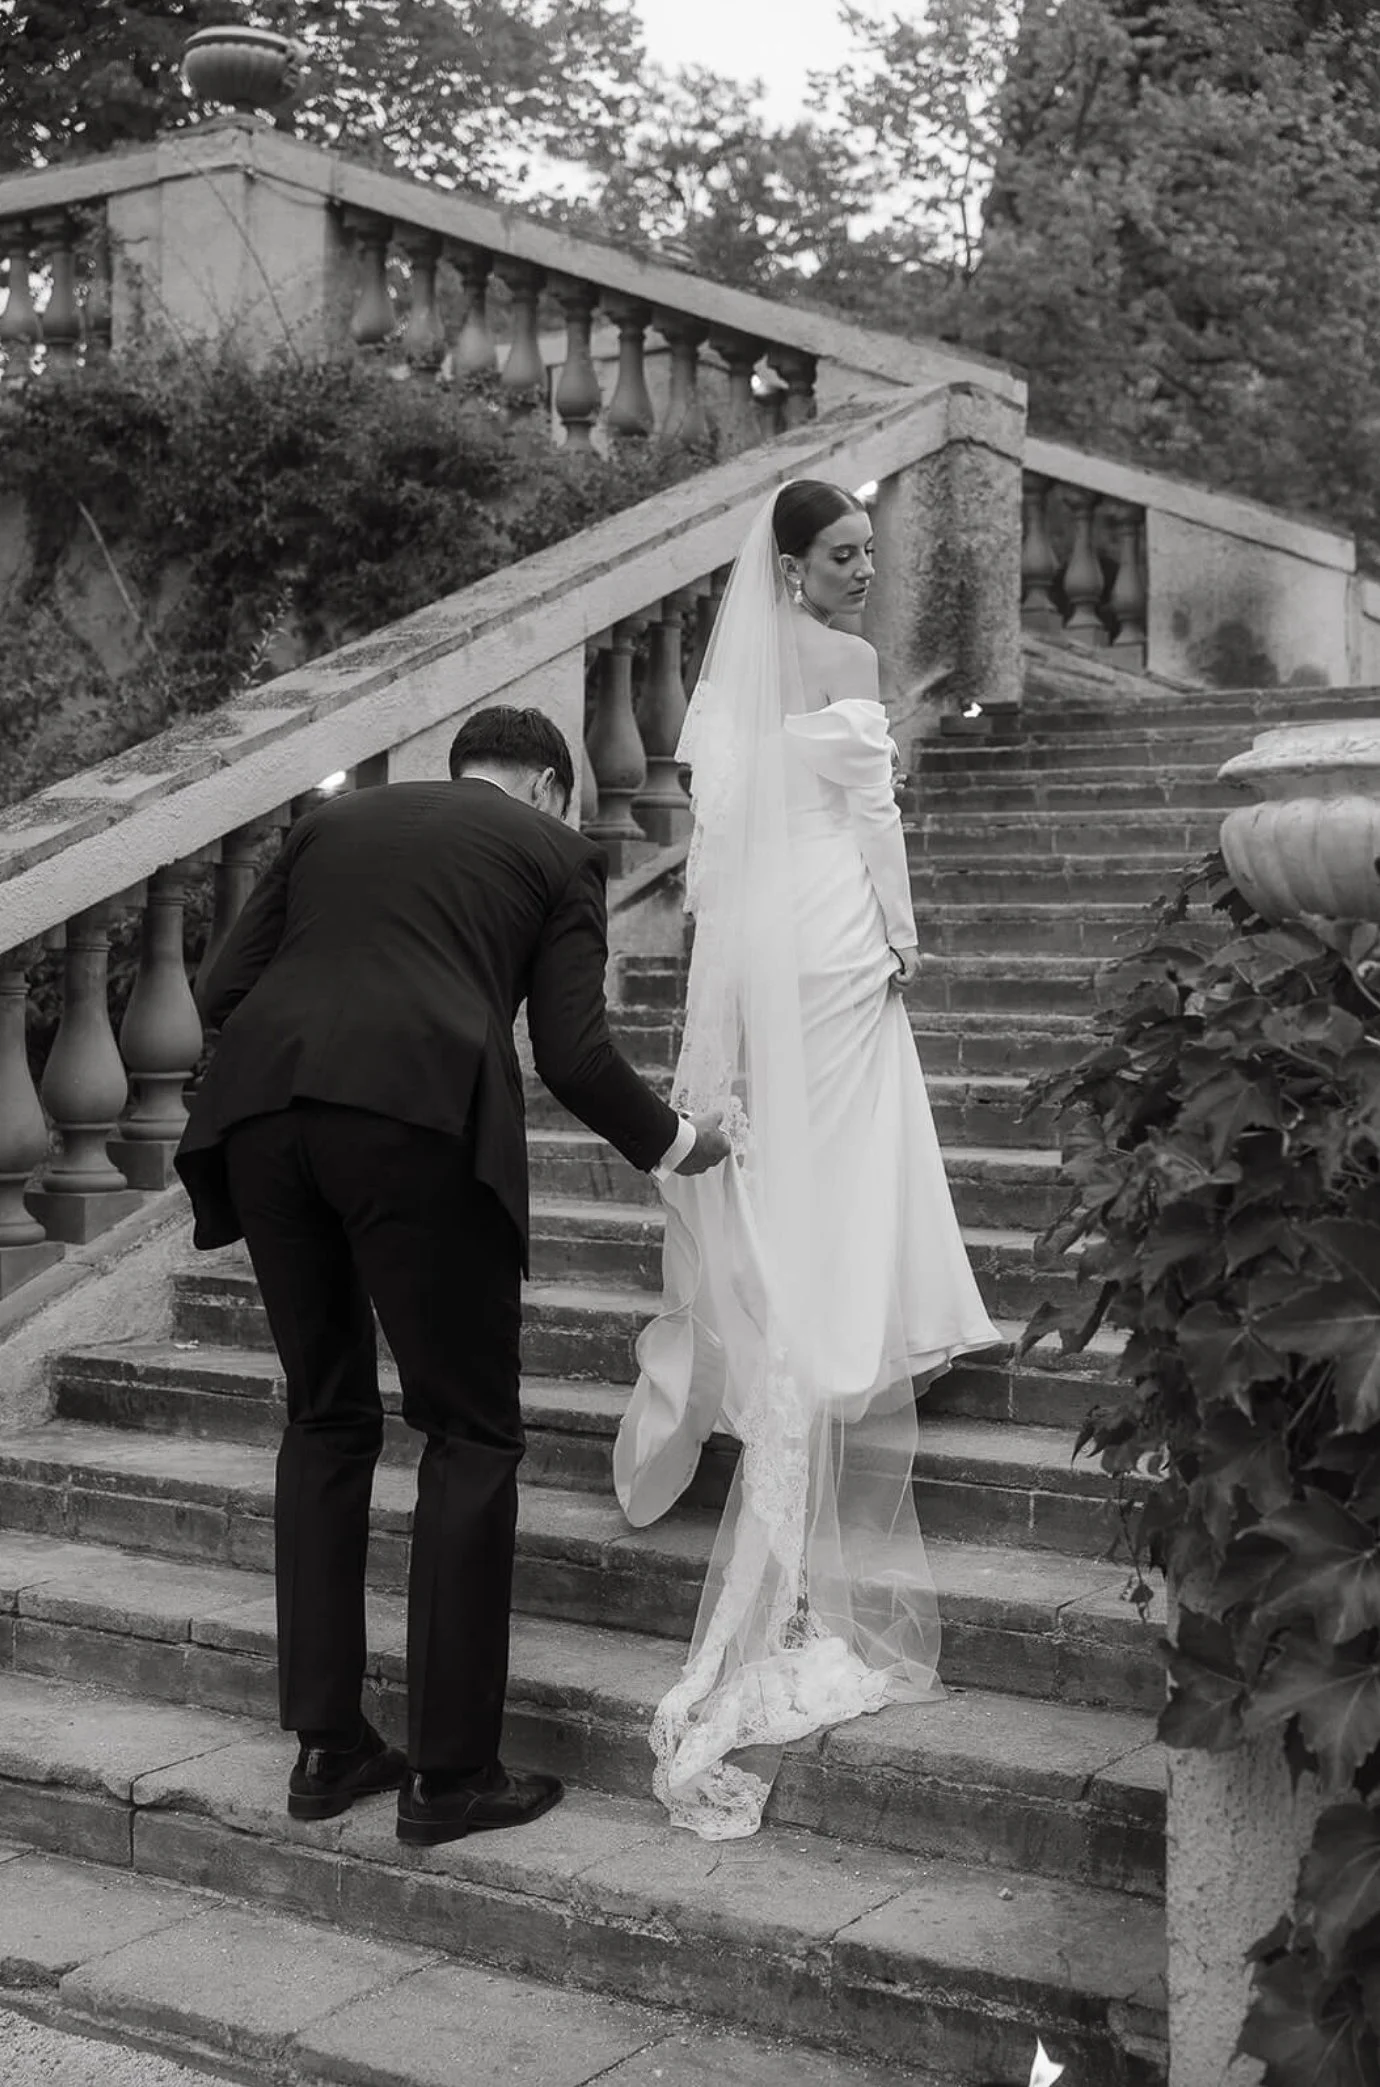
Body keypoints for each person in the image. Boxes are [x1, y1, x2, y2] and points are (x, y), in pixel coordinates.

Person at [175, 706, 729, 1847]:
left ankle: (328, 1747)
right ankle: (449, 1774)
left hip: (264, 1122)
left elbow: (221, 985)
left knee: (326, 1415)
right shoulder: (556, 852)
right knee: (469, 1433)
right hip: (418, 1121)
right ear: (549, 786)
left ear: (467, 769)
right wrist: (679, 1141)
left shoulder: (334, 822)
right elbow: (572, 1054)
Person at [612, 479, 1002, 1840]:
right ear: (787, 567)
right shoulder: (838, 664)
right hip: (835, 933)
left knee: (815, 1148)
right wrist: (902, 939)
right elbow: (878, 818)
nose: (858, 576)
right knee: (851, 1132)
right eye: (840, 556)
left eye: (866, 557)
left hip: (770, 936)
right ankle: (845, 1331)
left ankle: (833, 1313)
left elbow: (715, 854)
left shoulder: (722, 696)